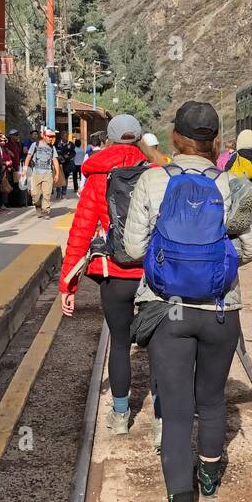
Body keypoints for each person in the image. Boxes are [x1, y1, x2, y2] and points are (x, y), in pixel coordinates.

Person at [122, 101, 252, 502]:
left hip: (168, 311)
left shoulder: (153, 179)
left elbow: (133, 247)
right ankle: (210, 475)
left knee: (178, 413)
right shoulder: (233, 184)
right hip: (222, 309)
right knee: (213, 399)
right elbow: (250, 251)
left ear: (176, 139)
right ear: (216, 142)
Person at [61, 114, 161, 439]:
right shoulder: (156, 172)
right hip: (151, 275)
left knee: (119, 344)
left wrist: (68, 284)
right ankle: (160, 420)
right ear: (140, 137)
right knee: (161, 346)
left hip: (112, 274)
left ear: (111, 138)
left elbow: (81, 232)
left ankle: (120, 416)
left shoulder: (97, 176)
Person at [22, 127, 58, 216]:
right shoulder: (35, 145)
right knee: (35, 194)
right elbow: (28, 157)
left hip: (48, 174)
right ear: (43, 136)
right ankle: (37, 206)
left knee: (47, 193)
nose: (50, 138)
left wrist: (57, 174)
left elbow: (55, 160)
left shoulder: (52, 148)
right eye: (49, 136)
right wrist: (25, 170)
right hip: (36, 173)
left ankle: (46, 211)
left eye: (52, 137)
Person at [55, 134, 76, 199]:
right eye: (64, 136)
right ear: (61, 137)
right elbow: (54, 151)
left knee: (65, 178)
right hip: (58, 163)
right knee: (58, 178)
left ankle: (63, 193)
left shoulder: (71, 144)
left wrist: (69, 156)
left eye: (66, 136)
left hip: (67, 164)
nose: (65, 137)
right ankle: (58, 192)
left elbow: (73, 153)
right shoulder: (57, 143)